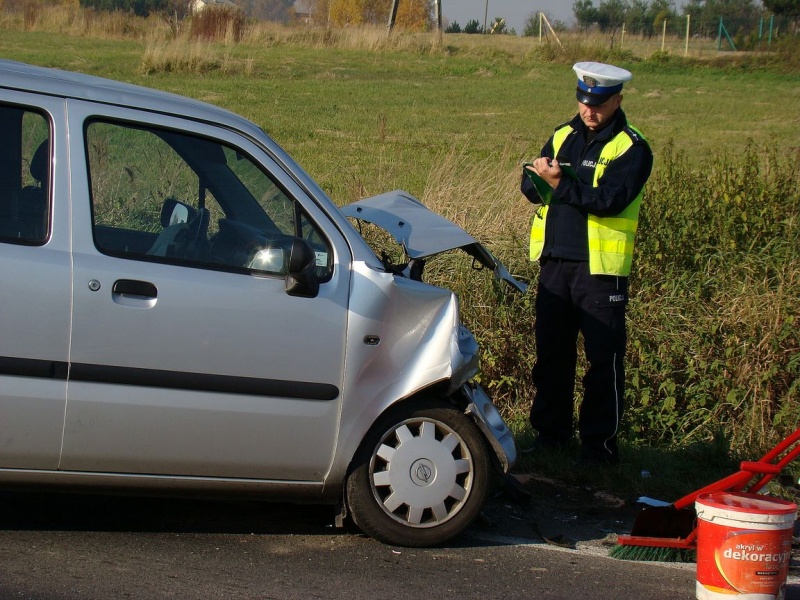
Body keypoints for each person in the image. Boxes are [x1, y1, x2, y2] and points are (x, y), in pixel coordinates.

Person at [520, 62, 653, 466]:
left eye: (598, 103)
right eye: (583, 100)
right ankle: (550, 439)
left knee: (602, 362)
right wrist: (543, 178)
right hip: (556, 263)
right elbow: (530, 185)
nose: (588, 110)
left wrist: (562, 184)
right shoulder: (563, 135)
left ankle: (599, 450)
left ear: (617, 100)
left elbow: (610, 200)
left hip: (600, 270)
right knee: (552, 356)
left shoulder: (632, 147)